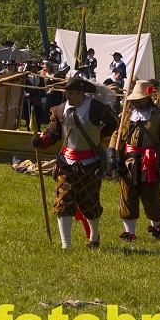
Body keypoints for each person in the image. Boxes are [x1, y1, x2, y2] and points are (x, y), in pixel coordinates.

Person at [31, 77, 118, 249]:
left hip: (91, 164)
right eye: (67, 93)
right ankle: (66, 246)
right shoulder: (60, 110)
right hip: (66, 163)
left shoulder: (96, 108)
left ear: (81, 93)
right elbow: (53, 133)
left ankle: (94, 238)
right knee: (63, 202)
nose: (68, 96)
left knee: (90, 204)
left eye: (71, 93)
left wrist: (99, 135)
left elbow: (113, 123)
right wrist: (41, 141)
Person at [108, 79, 160, 242]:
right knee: (127, 197)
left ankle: (156, 225)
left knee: (151, 200)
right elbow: (116, 135)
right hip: (128, 163)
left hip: (150, 164)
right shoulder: (125, 115)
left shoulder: (159, 116)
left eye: (139, 99)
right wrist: (111, 153)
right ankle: (129, 233)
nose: (136, 102)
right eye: (134, 100)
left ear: (147, 98)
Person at [23, 61, 45, 131]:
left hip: (37, 99)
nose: (35, 69)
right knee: (28, 115)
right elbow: (23, 87)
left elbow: (43, 88)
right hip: (28, 99)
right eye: (33, 68)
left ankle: (38, 128)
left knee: (38, 114)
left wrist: (42, 97)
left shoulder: (40, 78)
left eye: (36, 68)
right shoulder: (26, 77)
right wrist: (25, 93)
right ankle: (29, 129)